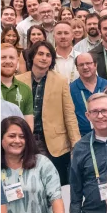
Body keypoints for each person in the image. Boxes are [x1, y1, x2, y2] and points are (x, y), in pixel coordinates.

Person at [17, 41, 81, 181]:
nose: (44, 58)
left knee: (55, 184)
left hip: (53, 143)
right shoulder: (19, 81)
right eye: (40, 54)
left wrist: (76, 144)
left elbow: (69, 114)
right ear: (32, 56)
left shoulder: (60, 81)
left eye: (48, 55)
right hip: (25, 140)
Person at [69, 52, 107, 137]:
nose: (85, 67)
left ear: (95, 65)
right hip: (82, 137)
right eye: (81, 65)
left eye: (88, 63)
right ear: (77, 68)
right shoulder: (70, 89)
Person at [0, 43, 35, 130]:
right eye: (3, 57)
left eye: (11, 57)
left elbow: (29, 126)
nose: (8, 61)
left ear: (17, 61)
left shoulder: (25, 89)